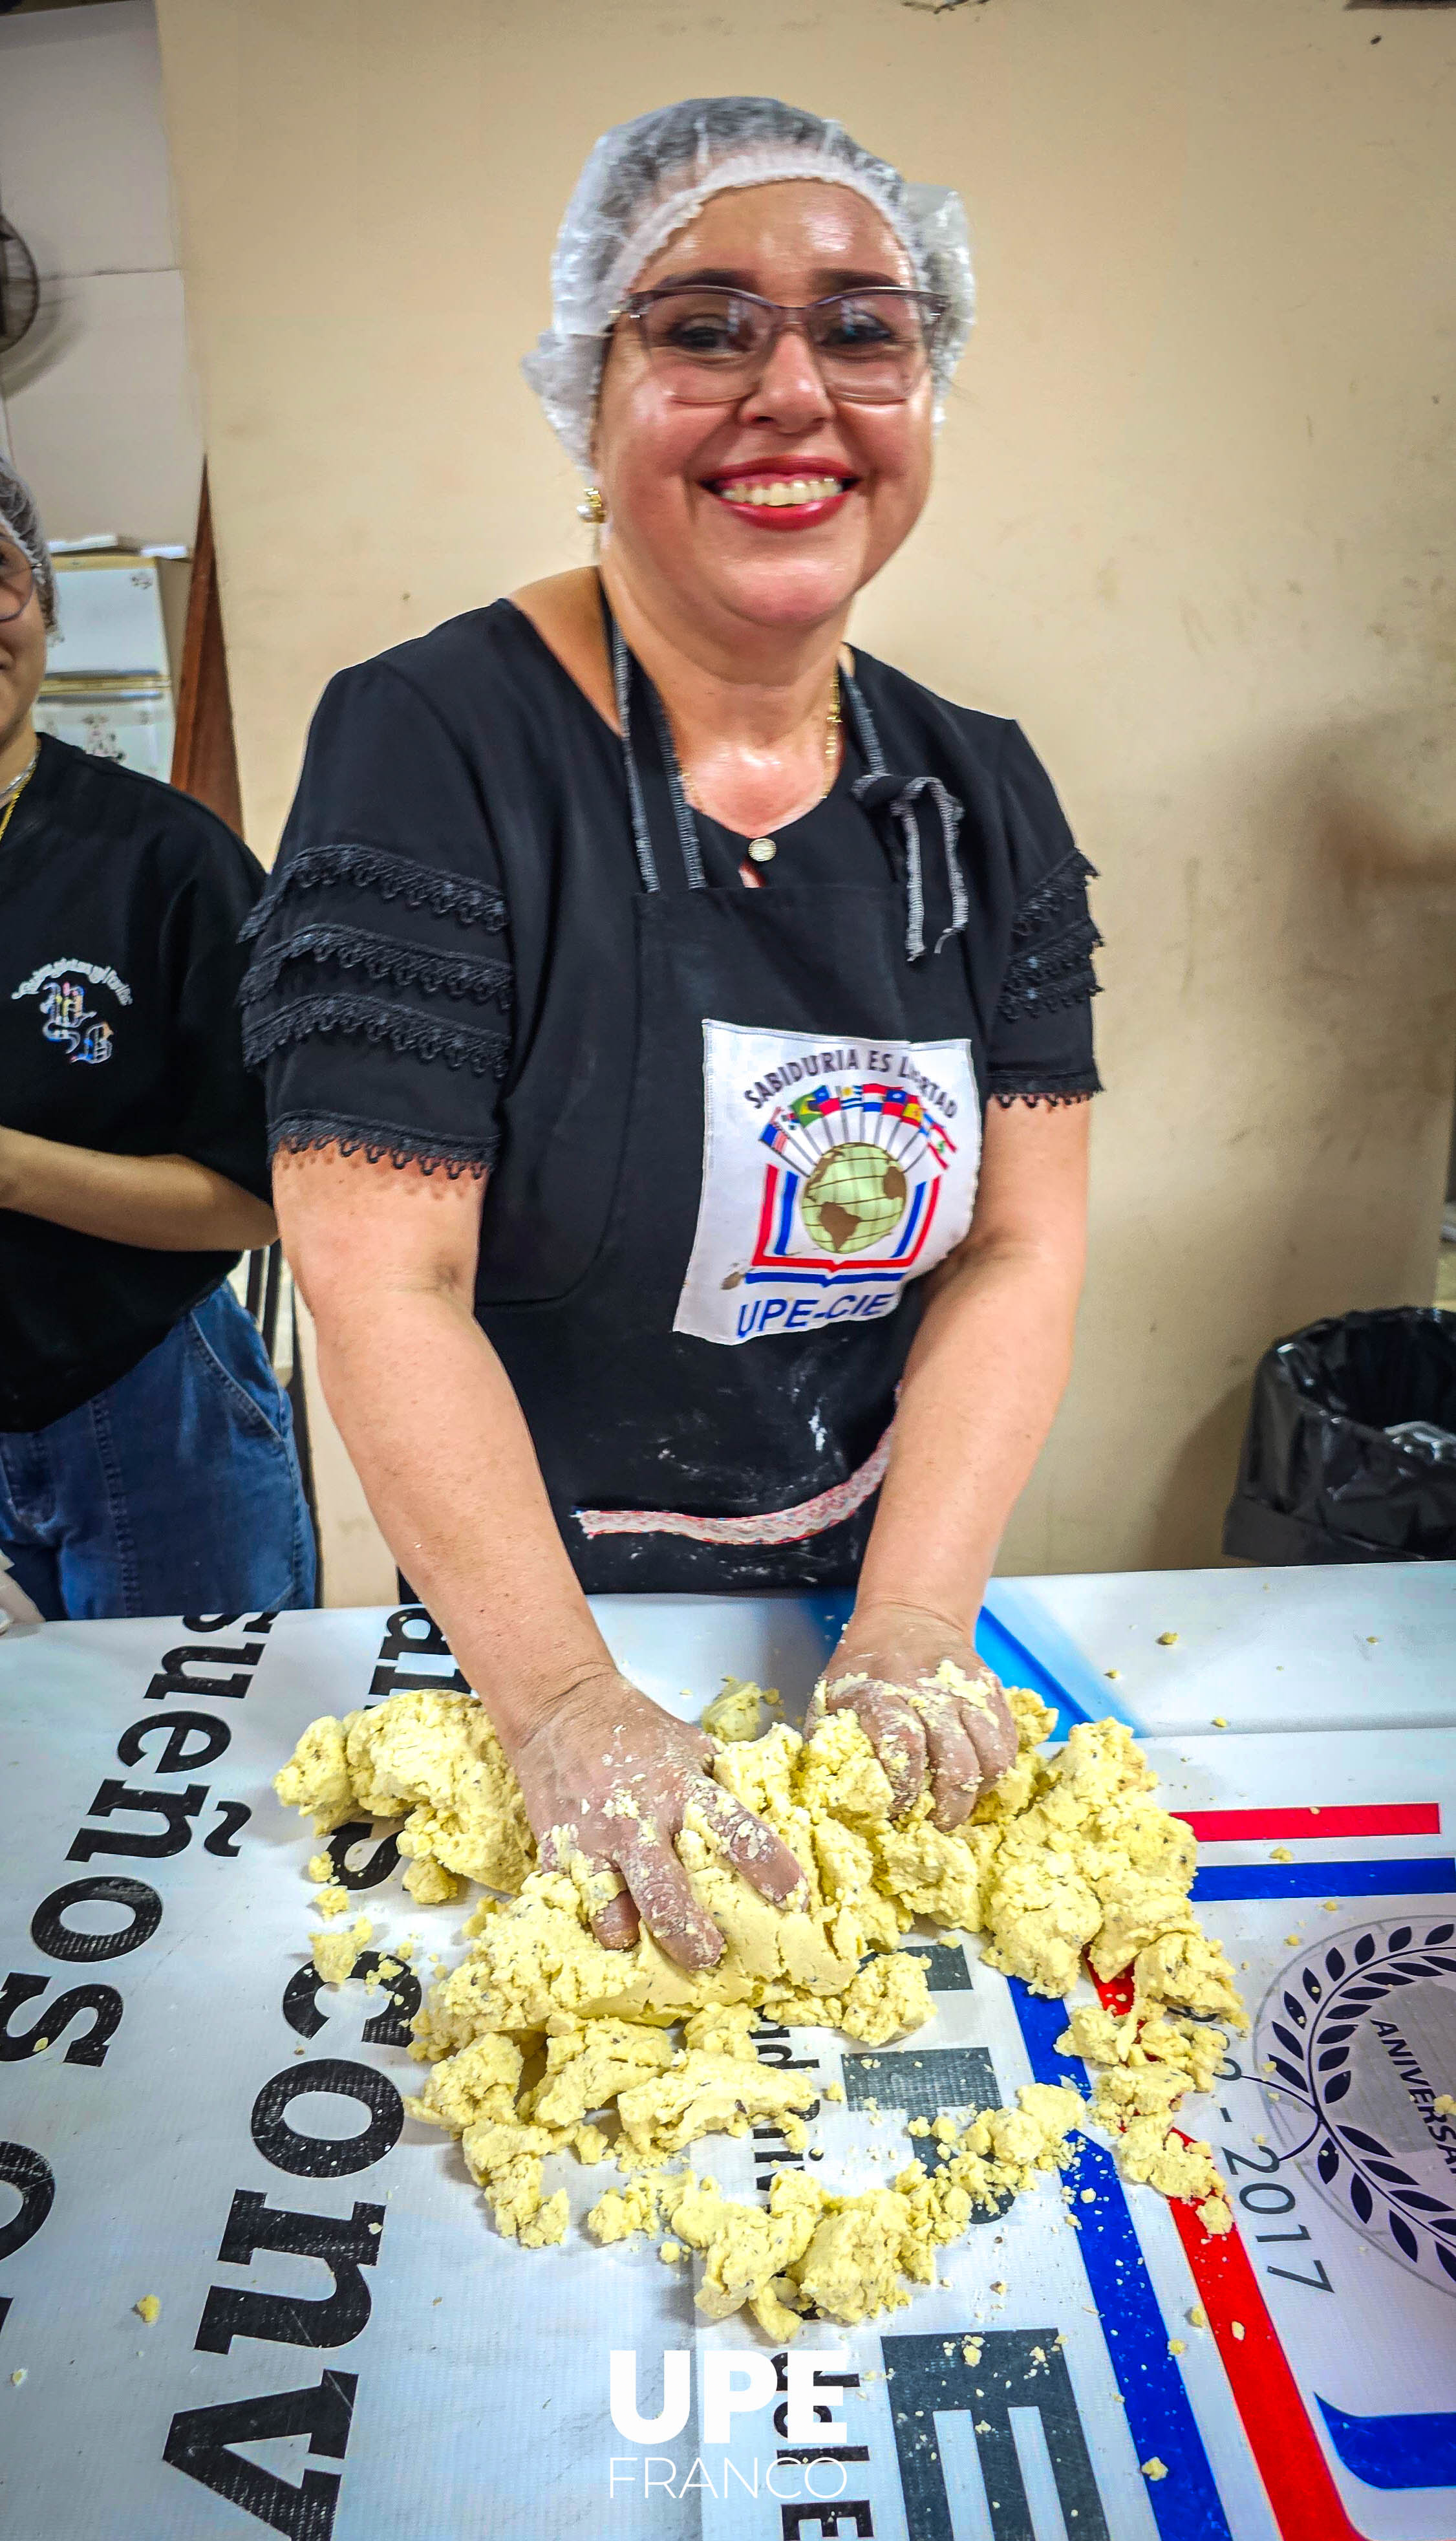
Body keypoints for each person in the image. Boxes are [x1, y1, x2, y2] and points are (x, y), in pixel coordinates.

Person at [247, 98, 1099, 1966]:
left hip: (864, 1583)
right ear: (591, 395)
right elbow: (378, 1273)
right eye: (703, 326)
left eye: (863, 327)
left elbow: (1024, 1238)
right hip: (530, 1607)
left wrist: (905, 1633)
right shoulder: (434, 748)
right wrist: (559, 1710)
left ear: (924, 387)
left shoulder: (986, 794)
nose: (790, 387)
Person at [0, 461, 316, 1618]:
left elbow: (266, 1198)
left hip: (146, 1396)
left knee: (209, 1756)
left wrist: (14, 1170)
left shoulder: (165, 863)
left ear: (42, 605)